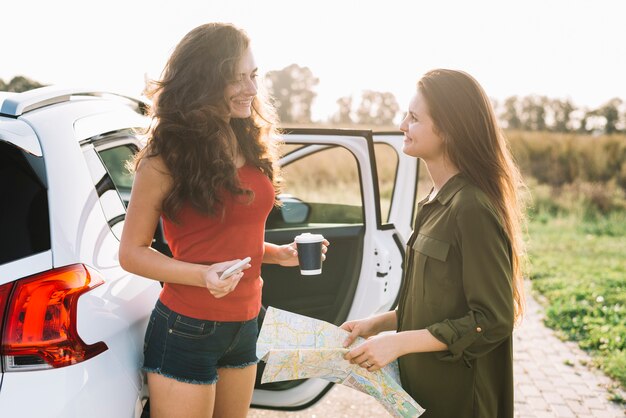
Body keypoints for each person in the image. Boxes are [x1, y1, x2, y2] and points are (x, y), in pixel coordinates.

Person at [119, 23, 326, 418]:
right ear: (203, 81)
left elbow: (226, 239)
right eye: (236, 79)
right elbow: (131, 253)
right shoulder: (165, 157)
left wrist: (277, 253)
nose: (251, 89)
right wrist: (203, 277)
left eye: (253, 76)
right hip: (186, 327)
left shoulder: (248, 141)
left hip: (245, 323)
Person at [341, 69, 526, 418]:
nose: (401, 126)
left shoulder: (471, 207)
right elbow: (437, 304)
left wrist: (397, 343)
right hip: (421, 394)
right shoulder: (434, 201)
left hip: (459, 399)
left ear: (449, 130)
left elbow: (492, 318)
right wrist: (378, 324)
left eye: (413, 118)